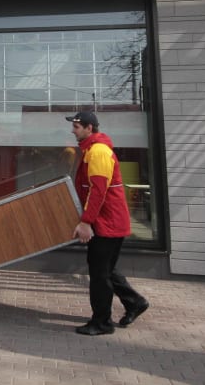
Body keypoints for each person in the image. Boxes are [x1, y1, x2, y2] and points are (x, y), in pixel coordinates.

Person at [66, 111, 149, 336]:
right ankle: (134, 302)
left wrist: (86, 222)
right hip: (109, 221)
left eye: (76, 126)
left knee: (99, 273)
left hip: (107, 223)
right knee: (106, 268)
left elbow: (98, 191)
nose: (73, 131)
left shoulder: (99, 152)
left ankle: (102, 322)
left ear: (89, 128)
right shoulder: (92, 150)